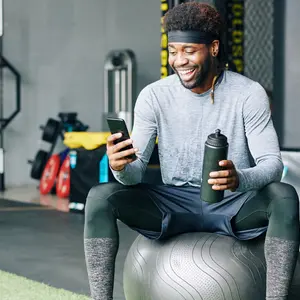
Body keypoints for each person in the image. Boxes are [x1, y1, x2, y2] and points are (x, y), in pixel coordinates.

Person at [83, 2, 299, 300]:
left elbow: (272, 165)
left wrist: (239, 179)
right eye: (173, 51)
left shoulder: (249, 94)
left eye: (189, 50)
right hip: (174, 202)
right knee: (99, 197)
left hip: (234, 203)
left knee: (285, 196)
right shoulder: (154, 96)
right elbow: (134, 176)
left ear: (212, 48)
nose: (179, 60)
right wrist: (120, 166)